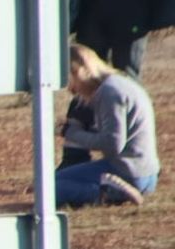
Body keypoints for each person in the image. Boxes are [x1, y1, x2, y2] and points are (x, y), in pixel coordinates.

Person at [56, 43, 159, 207]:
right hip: (146, 173)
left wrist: (72, 133)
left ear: (79, 72)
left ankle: (108, 193)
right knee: (56, 181)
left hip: (130, 173)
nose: (70, 89)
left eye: (69, 80)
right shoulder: (119, 83)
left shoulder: (109, 93)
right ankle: (112, 189)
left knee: (51, 188)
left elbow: (112, 144)